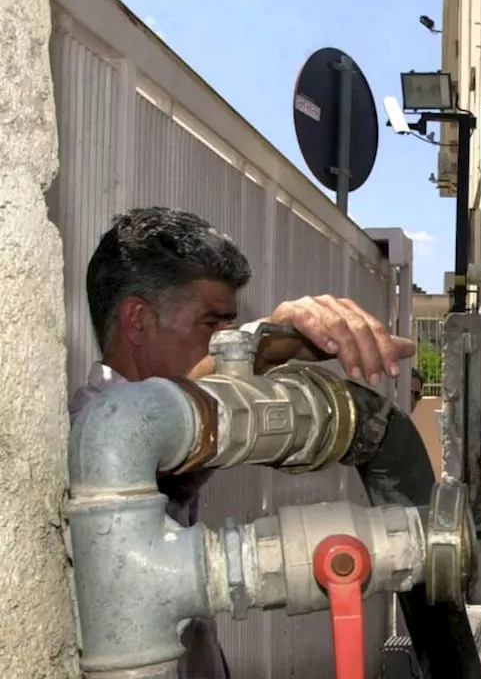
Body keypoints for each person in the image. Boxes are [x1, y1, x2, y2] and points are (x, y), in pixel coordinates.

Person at [68, 206, 416, 678]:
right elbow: (155, 415)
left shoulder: (164, 440)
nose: (224, 346)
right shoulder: (98, 439)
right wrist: (262, 346)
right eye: (211, 326)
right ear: (138, 320)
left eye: (231, 328)